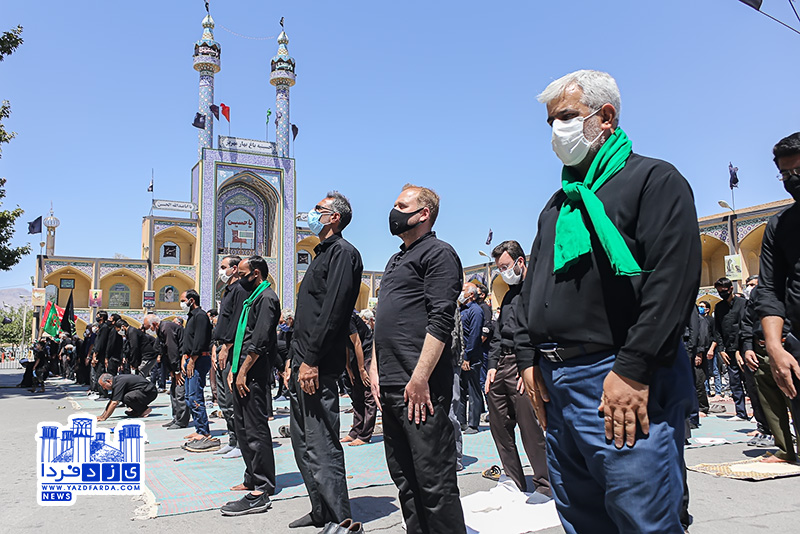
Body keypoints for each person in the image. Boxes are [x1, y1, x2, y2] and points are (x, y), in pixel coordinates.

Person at [516, 70, 700, 533]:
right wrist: (528, 359)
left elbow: (672, 282)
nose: (556, 131)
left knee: (642, 518)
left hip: (617, 377)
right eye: (550, 122)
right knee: (582, 517)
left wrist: (634, 367)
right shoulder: (559, 205)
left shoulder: (652, 180)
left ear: (606, 116)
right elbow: (532, 290)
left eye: (566, 117)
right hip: (557, 384)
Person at [370, 184, 466, 534]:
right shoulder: (396, 259)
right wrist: (375, 369)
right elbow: (384, 320)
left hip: (420, 389)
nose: (394, 211)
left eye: (401, 205)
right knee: (406, 481)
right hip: (392, 386)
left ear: (423, 213)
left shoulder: (438, 253)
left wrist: (421, 377)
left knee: (434, 482)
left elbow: (441, 320)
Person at [288, 191, 363, 529]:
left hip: (316, 365)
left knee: (322, 443)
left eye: (318, 209)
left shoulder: (343, 254)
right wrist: (295, 360)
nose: (311, 213)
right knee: (303, 442)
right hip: (302, 361)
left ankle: (338, 518)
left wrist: (311, 360)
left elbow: (333, 312)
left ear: (334, 217)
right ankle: (319, 509)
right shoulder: (322, 254)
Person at [485, 240, 549, 494]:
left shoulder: (538, 289)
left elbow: (542, 331)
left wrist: (530, 366)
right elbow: (498, 335)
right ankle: (513, 480)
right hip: (502, 364)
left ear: (520, 261)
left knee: (530, 427)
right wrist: (492, 366)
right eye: (499, 269)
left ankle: (545, 484)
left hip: (525, 364)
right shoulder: (509, 295)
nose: (503, 273)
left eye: (506, 267)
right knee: (499, 426)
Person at [220, 255, 281, 516]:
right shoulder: (251, 299)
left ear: (256, 273)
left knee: (255, 429)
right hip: (241, 371)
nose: (238, 278)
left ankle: (263, 485)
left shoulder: (267, 298)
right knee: (243, 428)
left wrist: (243, 371)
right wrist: (234, 370)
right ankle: (251, 478)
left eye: (242, 274)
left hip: (253, 373)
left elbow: (260, 341)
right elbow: (242, 338)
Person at [755, 131, 800, 461]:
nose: (792, 180)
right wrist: (775, 348)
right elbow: (769, 289)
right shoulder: (781, 226)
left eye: (798, 171)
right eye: (786, 174)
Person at [212, 254, 248, 459]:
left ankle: (241, 444)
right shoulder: (228, 291)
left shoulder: (241, 290)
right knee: (224, 400)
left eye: (224, 266)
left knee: (233, 399)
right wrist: (215, 347)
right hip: (221, 349)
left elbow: (238, 322)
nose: (221, 270)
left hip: (231, 350)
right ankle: (232, 440)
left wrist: (227, 347)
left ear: (234, 269)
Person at [180, 289, 218, 452]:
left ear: (191, 300)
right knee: (189, 397)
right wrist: (184, 357)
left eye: (183, 300)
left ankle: (204, 432)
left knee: (195, 396)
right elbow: (188, 340)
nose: (181, 304)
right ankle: (199, 428)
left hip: (199, 359)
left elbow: (200, 340)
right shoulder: (191, 316)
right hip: (190, 359)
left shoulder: (201, 316)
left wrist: (192, 360)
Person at [711, 277, 751, 421]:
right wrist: (721, 349)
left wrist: (740, 349)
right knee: (734, 382)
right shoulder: (719, 307)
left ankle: (758, 414)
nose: (722, 294)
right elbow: (718, 330)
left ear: (731, 289)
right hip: (728, 350)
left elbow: (745, 327)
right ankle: (740, 412)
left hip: (744, 349)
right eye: (719, 292)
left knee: (749, 382)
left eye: (724, 291)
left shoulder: (743, 304)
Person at [144, 314, 189, 429]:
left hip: (181, 363)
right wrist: (171, 370)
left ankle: (182, 420)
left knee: (180, 392)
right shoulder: (161, 330)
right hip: (174, 365)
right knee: (173, 392)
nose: (149, 330)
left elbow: (172, 350)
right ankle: (176, 418)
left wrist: (177, 370)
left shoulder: (166, 328)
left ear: (154, 324)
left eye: (149, 327)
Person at [341, 309, 377, 446]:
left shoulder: (347, 316)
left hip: (366, 355)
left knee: (369, 396)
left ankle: (365, 435)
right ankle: (355, 431)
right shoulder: (337, 317)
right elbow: (346, 344)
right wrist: (348, 367)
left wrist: (362, 369)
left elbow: (357, 343)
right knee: (357, 396)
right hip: (356, 357)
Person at [457, 282, 485, 434]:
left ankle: (473, 423)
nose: (460, 293)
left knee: (473, 389)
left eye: (463, 290)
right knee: (460, 389)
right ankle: (461, 421)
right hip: (460, 357)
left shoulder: (476, 311)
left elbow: (474, 335)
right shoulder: (461, 310)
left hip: (471, 358)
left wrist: (467, 356)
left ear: (471, 294)